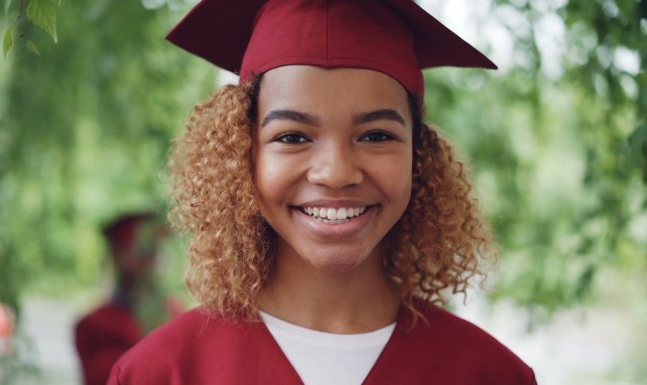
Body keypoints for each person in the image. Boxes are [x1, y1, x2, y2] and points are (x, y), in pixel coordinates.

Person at [108, 0, 537, 384]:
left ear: (419, 156)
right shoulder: (160, 373)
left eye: (375, 136)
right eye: (293, 137)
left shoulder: (489, 374)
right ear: (244, 154)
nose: (335, 173)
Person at [75, 212, 181, 385]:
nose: (150, 260)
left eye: (154, 252)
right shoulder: (93, 325)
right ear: (117, 254)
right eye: (141, 252)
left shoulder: (174, 311)